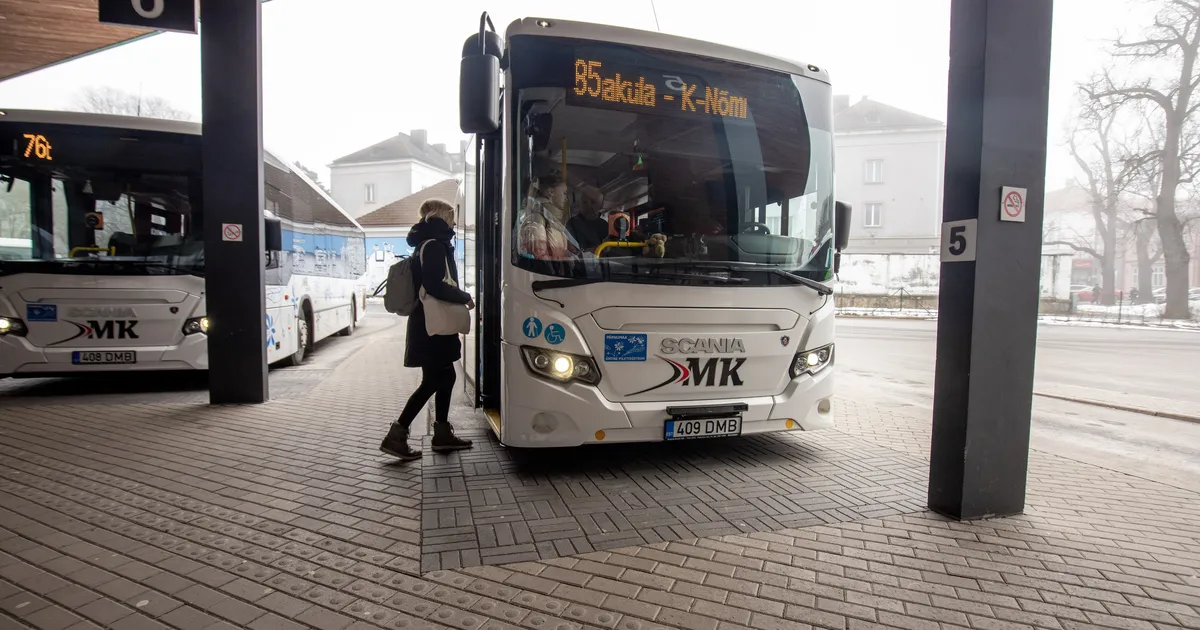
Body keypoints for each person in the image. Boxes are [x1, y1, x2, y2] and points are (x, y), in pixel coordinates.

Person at [379, 198, 475, 461]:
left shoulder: (431, 242)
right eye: (451, 216)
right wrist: (463, 296)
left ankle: (442, 435)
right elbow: (434, 284)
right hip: (431, 325)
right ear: (440, 216)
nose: (454, 221)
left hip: (431, 323)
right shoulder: (434, 246)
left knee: (444, 378)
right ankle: (396, 435)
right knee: (434, 380)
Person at [518, 174, 581, 260]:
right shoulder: (537, 218)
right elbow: (540, 257)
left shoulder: (554, 220)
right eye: (564, 193)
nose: (566, 198)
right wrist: (568, 260)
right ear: (551, 192)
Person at [567, 185, 610, 251]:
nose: (588, 206)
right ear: (580, 204)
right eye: (584, 202)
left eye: (593, 202)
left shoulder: (605, 226)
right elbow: (573, 252)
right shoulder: (572, 224)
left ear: (601, 205)